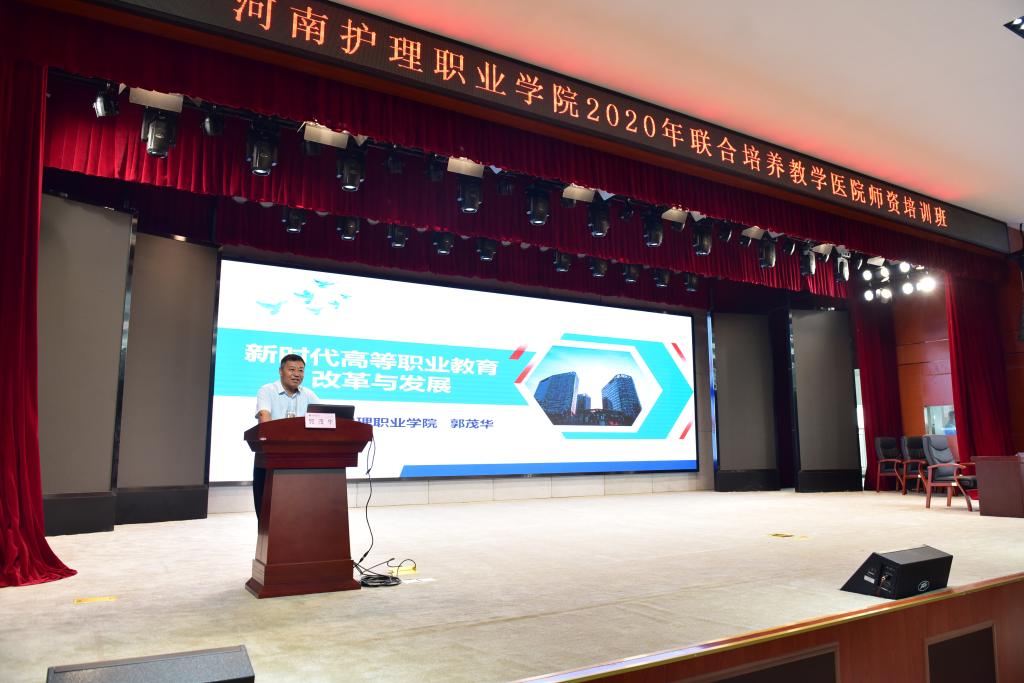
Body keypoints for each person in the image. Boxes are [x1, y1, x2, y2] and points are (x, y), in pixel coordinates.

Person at [252, 354, 320, 518]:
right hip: (270, 457)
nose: (297, 374)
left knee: (296, 512)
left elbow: (325, 416)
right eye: (292, 369)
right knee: (267, 512)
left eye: (301, 370)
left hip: (300, 460)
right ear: (280, 371)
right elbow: (264, 418)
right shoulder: (267, 390)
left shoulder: (308, 394)